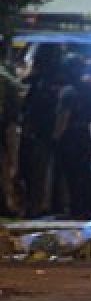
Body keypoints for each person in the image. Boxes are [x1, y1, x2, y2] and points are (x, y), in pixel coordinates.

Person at [53, 54, 91, 220]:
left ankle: (76, 208)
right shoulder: (89, 90)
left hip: (70, 136)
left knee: (71, 173)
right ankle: (88, 207)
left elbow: (64, 116)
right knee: (85, 171)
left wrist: (56, 136)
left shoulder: (68, 91)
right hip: (85, 134)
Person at [18, 45, 63, 218]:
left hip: (38, 133)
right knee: (43, 172)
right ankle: (43, 205)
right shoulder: (56, 81)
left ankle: (35, 206)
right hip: (47, 133)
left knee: (35, 172)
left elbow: (29, 108)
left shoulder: (37, 82)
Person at [0, 61, 20, 216]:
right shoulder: (7, 78)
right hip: (5, 126)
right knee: (5, 169)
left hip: (5, 126)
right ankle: (6, 203)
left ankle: (6, 203)